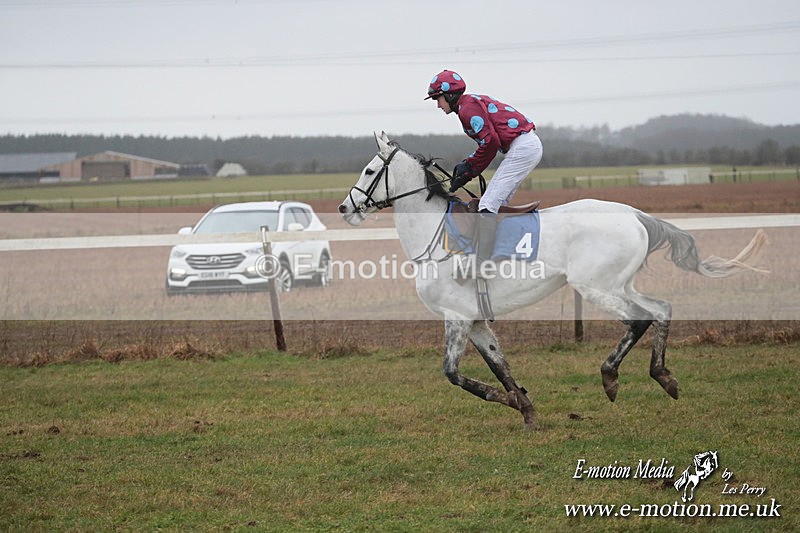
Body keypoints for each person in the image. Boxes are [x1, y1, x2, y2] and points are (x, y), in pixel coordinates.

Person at [425, 69, 543, 271]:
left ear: (450, 95)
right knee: (496, 204)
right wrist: (468, 167)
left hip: (523, 147)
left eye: (438, 98)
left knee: (488, 204)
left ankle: (482, 264)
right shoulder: (467, 104)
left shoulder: (467, 108)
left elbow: (490, 143)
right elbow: (488, 144)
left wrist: (469, 168)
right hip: (524, 146)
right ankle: (499, 254)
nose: (437, 104)